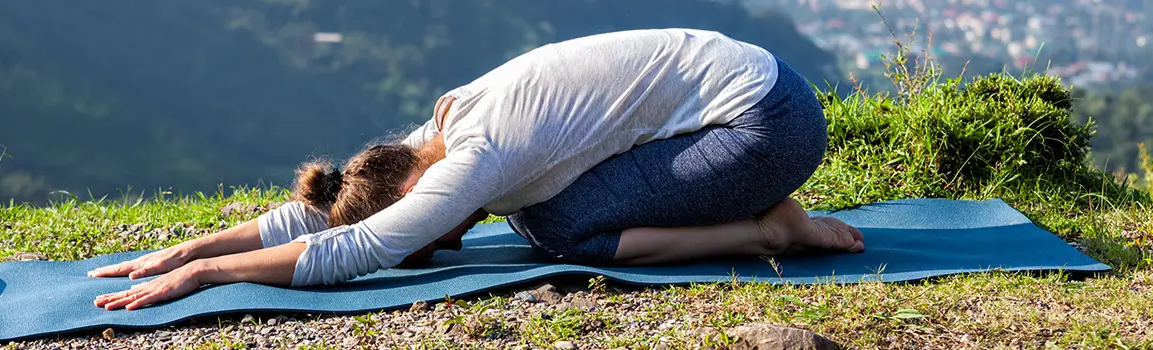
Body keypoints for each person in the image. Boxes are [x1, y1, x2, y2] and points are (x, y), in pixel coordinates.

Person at [90, 28, 865, 311]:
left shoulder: (472, 160)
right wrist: (193, 247)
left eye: (427, 235)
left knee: (561, 229)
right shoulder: (443, 122)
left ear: (415, 192)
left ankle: (770, 225)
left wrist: (207, 279)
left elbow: (353, 251)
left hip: (767, 126)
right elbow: (328, 217)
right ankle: (764, 217)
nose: (441, 243)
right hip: (750, 82)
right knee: (540, 210)